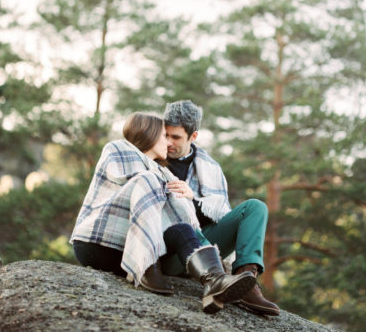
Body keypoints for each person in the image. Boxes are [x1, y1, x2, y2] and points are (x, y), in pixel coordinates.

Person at [70, 112, 256, 313]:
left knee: (182, 229)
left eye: (171, 137)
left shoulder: (163, 173)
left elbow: (175, 214)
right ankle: (147, 264)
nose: (168, 142)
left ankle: (214, 281)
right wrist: (162, 186)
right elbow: (129, 182)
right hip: (97, 244)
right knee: (147, 181)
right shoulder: (117, 149)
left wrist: (187, 198)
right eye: (163, 136)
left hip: (123, 249)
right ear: (148, 135)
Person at [163, 100, 280, 317]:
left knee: (255, 207)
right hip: (165, 253)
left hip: (202, 251)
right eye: (165, 135)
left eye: (176, 137)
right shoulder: (151, 156)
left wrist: (192, 200)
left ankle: (246, 281)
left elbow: (219, 217)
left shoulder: (210, 168)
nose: (168, 142)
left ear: (193, 136)